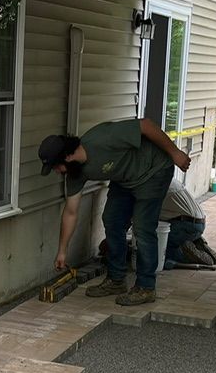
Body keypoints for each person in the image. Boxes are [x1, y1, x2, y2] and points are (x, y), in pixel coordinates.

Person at [39, 117, 191, 306]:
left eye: (56, 167)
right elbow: (71, 212)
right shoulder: (75, 173)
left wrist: (175, 153)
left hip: (153, 170)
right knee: (112, 219)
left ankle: (146, 287)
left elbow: (145, 125)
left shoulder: (103, 138)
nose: (56, 171)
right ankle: (116, 280)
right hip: (125, 178)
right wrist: (62, 251)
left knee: (143, 228)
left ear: (67, 157)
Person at [160, 178, 216, 269]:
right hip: (200, 222)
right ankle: (196, 243)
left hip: (186, 225)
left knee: (158, 250)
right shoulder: (169, 179)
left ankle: (185, 254)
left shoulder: (154, 186)